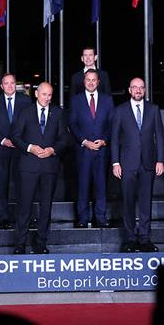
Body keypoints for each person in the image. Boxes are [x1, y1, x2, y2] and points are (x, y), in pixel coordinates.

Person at [11, 82, 69, 254]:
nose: (47, 98)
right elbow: (15, 136)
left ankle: (41, 243)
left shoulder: (58, 112)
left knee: (46, 208)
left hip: (49, 167)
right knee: (24, 206)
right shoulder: (25, 112)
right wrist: (30, 148)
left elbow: (64, 138)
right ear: (36, 94)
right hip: (28, 166)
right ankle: (20, 244)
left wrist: (53, 149)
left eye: (50, 95)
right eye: (44, 94)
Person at [112, 77, 164, 252]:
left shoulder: (153, 109)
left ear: (144, 90)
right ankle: (130, 239)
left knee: (146, 202)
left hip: (148, 163)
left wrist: (160, 160)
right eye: (134, 87)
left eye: (141, 88)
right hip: (127, 163)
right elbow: (113, 139)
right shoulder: (120, 111)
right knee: (127, 202)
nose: (137, 90)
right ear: (129, 90)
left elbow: (159, 136)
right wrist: (115, 162)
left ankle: (144, 238)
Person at [69, 68, 114, 228]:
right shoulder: (76, 100)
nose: (90, 82)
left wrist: (104, 140)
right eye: (88, 80)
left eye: (93, 80)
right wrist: (84, 141)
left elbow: (111, 124)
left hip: (102, 150)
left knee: (101, 185)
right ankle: (82, 218)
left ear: (98, 82)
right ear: (84, 81)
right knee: (83, 185)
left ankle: (100, 218)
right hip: (83, 150)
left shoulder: (107, 100)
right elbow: (72, 124)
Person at [0, 74, 30, 230]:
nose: (10, 86)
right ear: (1, 86)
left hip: (21, 150)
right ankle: (3, 218)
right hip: (1, 149)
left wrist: (19, 141)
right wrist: (3, 140)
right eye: (7, 83)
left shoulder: (25, 101)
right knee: (2, 184)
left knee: (22, 185)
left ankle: (23, 216)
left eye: (12, 83)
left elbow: (29, 124)